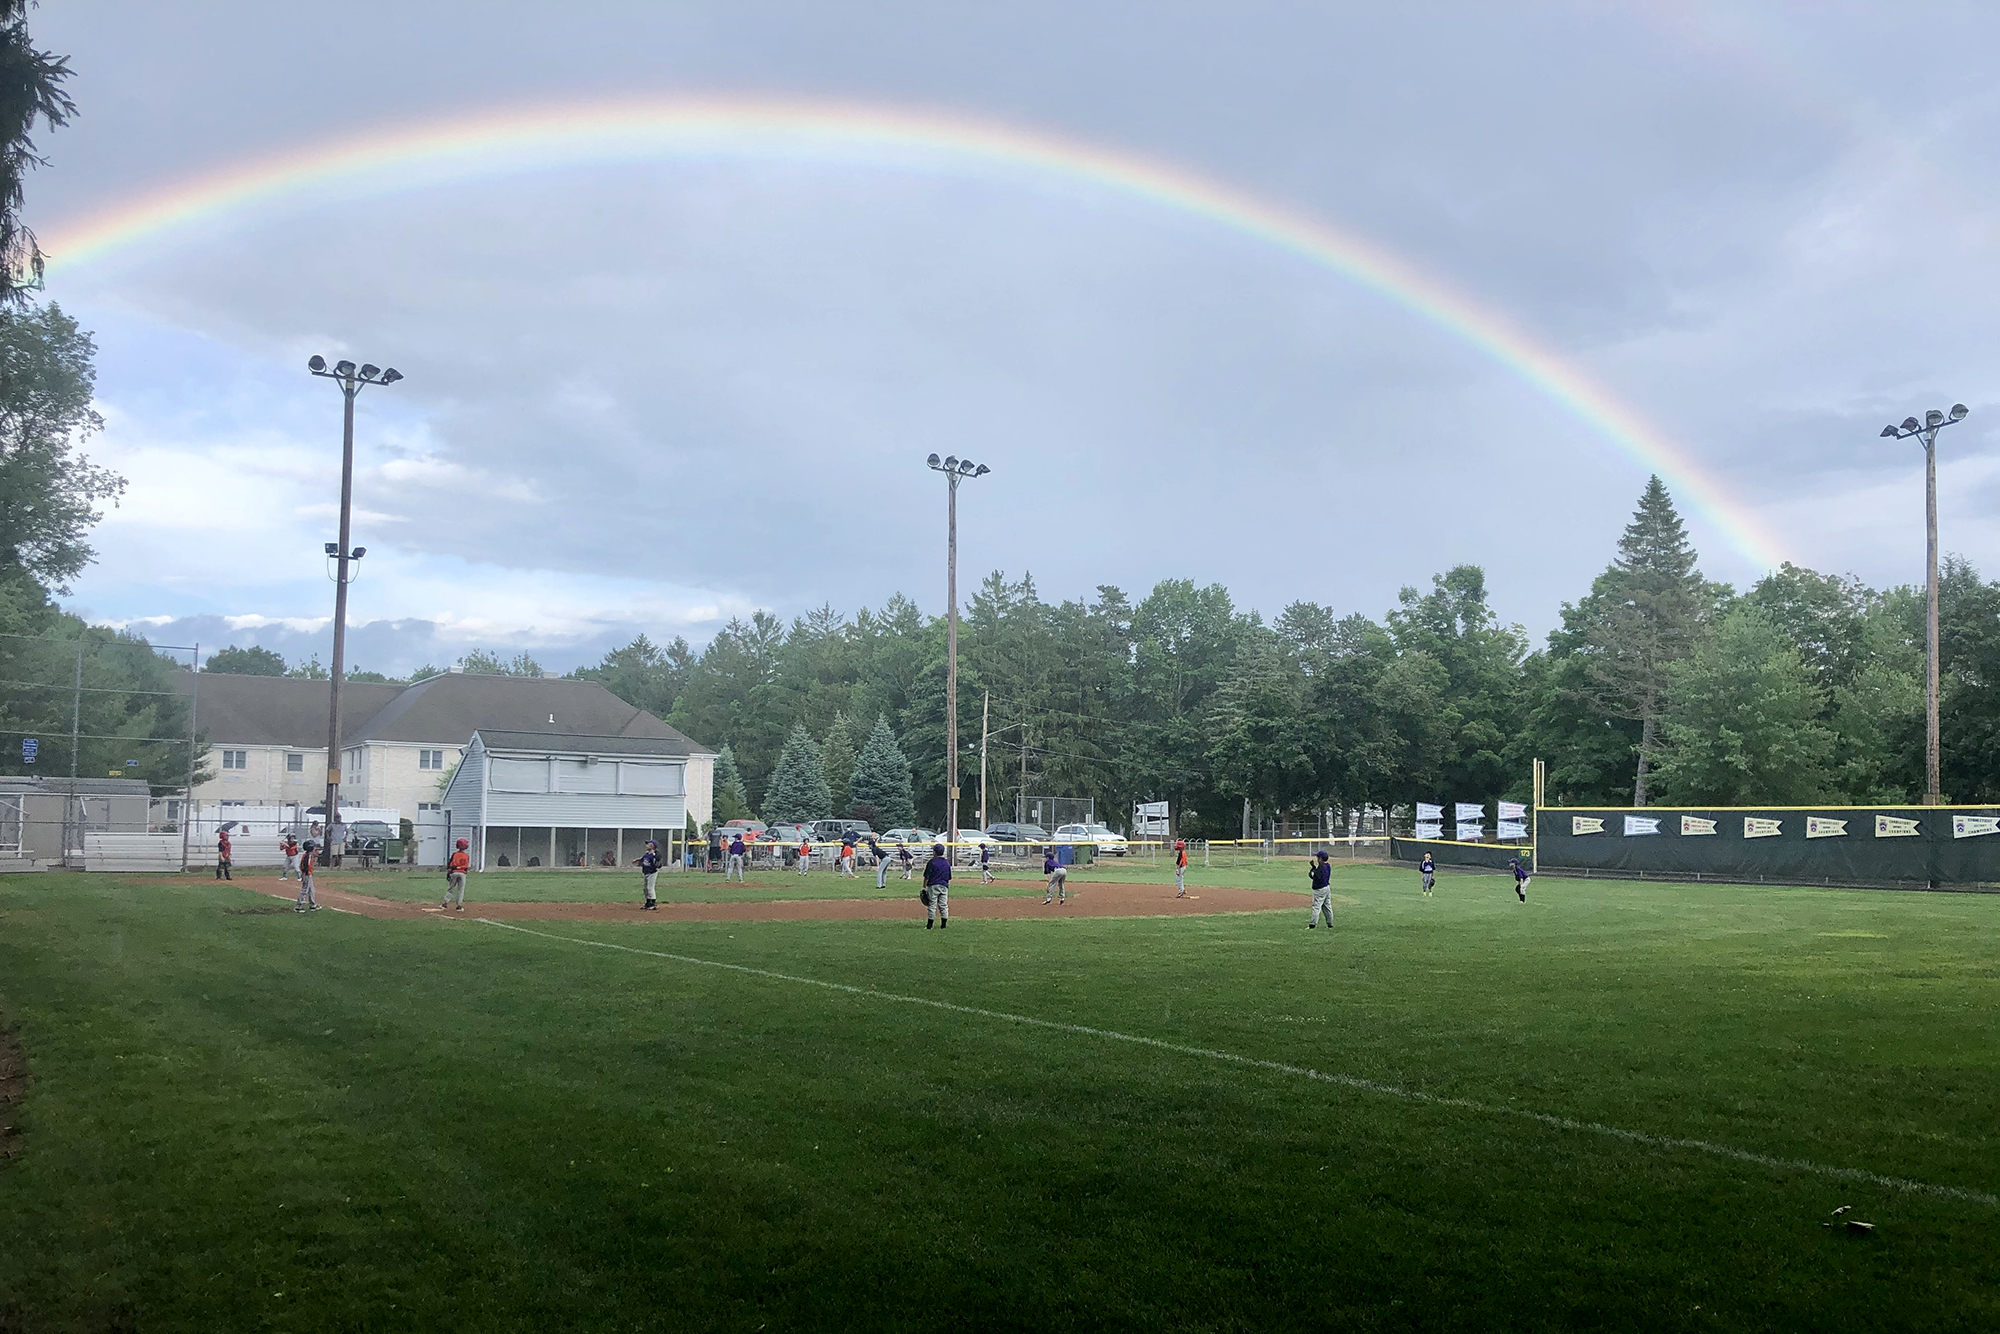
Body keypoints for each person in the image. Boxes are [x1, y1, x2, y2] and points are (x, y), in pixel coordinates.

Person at [922, 841, 951, 928]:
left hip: (933, 885)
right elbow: (949, 876)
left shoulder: (932, 862)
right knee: (943, 905)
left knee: (932, 905)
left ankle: (929, 925)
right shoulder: (946, 862)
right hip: (944, 885)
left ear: (934, 852)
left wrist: (924, 886)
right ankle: (943, 925)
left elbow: (927, 876)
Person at [1308, 850, 1334, 928]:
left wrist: (1312, 868)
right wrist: (1314, 867)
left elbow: (1313, 875)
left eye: (1318, 857)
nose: (1317, 859)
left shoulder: (1321, 868)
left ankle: (1313, 924)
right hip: (1327, 888)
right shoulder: (1328, 866)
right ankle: (1330, 923)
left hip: (1319, 890)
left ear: (1320, 859)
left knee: (1316, 906)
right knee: (1327, 906)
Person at [444, 837, 471, 910]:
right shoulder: (466, 856)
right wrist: (460, 868)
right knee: (460, 889)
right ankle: (459, 905)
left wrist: (449, 873)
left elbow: (450, 865)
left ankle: (445, 903)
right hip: (462, 873)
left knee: (450, 888)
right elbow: (466, 866)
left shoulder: (455, 854)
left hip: (454, 873)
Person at [634, 838, 661, 910]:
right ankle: (648, 903)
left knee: (650, 888)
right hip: (646, 872)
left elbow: (658, 863)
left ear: (652, 846)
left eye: (648, 844)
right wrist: (637, 860)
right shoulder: (647, 853)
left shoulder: (654, 855)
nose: (647, 845)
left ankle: (653, 904)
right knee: (645, 889)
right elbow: (643, 858)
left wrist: (656, 865)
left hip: (652, 873)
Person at [295, 839, 319, 912]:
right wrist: (306, 874)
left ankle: (312, 904)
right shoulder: (307, 856)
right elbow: (305, 866)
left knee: (311, 889)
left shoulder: (308, 855)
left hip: (308, 873)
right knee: (305, 890)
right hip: (307, 874)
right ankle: (299, 906)